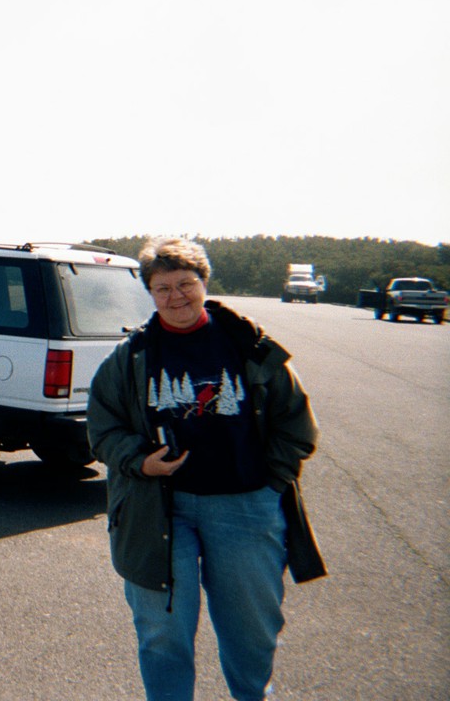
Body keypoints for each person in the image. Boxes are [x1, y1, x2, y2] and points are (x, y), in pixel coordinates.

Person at [87, 237, 325, 701]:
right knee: (162, 632)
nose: (176, 297)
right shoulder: (130, 357)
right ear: (149, 293)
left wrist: (269, 483)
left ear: (204, 283)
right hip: (159, 510)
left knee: (251, 632)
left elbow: (296, 424)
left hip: (245, 506)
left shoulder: (250, 345)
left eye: (185, 284)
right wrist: (139, 462)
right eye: (162, 288)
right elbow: (102, 429)